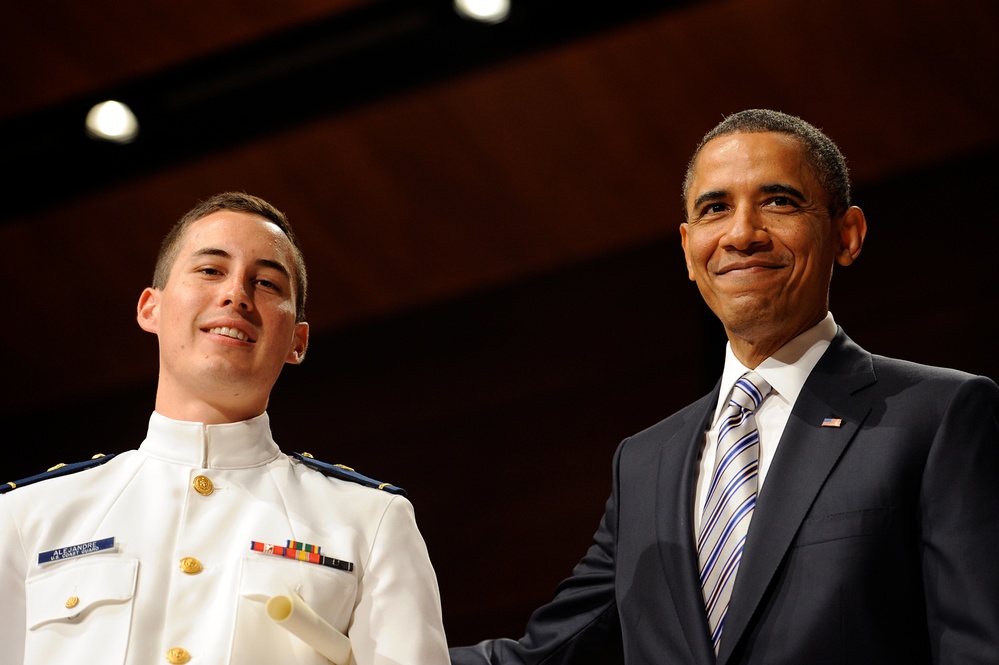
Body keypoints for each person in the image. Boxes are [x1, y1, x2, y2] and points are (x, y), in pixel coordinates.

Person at [448, 109, 999, 664]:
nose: (741, 234)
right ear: (689, 249)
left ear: (847, 235)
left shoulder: (939, 415)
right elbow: (544, 656)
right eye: (715, 209)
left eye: (779, 202)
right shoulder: (644, 463)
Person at [0, 192, 450, 665]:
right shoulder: (27, 517)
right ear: (151, 308)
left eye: (267, 283)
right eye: (210, 270)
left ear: (297, 341)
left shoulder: (371, 522)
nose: (236, 293)